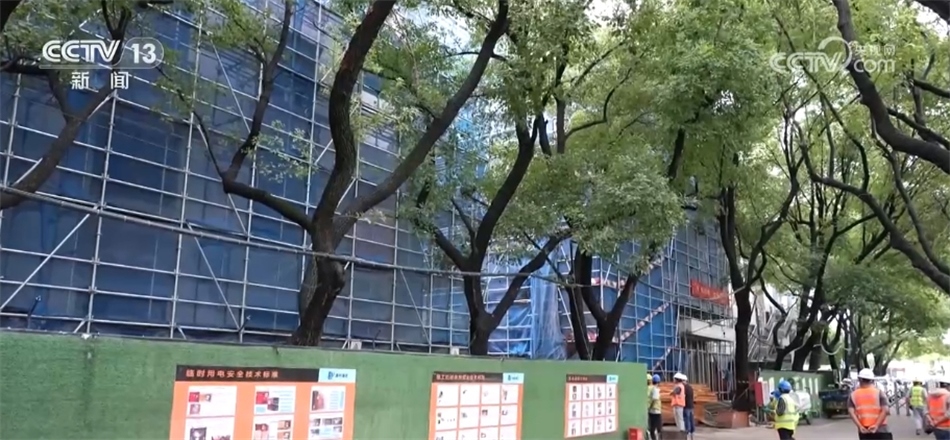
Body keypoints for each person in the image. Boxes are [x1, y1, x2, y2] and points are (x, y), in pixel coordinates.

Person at [849, 368, 893, 439]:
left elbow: (851, 412)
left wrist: (860, 426)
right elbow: (885, 410)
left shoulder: (853, 395)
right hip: (881, 429)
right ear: (872, 380)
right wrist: (876, 425)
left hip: (864, 430)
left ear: (859, 379)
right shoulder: (879, 393)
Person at [670, 372, 695, 438]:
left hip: (681, 405)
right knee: (689, 420)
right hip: (689, 405)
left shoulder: (680, 387)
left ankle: (685, 434)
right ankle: (690, 433)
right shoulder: (689, 387)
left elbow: (673, 393)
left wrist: (672, 392)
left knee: (683, 420)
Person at [647, 374, 662, 440]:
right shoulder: (655, 389)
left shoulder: (648, 388)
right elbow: (654, 399)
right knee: (657, 428)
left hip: (650, 410)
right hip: (656, 410)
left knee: (651, 427)